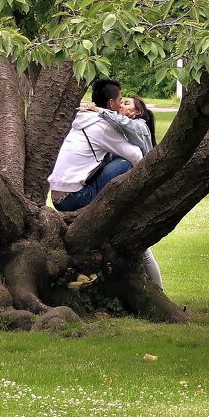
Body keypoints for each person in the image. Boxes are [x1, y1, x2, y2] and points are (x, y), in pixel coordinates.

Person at [76, 95, 165, 290]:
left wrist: (101, 110)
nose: (120, 105)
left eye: (126, 103)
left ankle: (158, 291)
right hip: (123, 196)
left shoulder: (139, 127)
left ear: (136, 112)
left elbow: (120, 121)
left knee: (144, 251)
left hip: (137, 198)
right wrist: (89, 110)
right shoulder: (123, 131)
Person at [48, 79, 143, 212]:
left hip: (58, 196)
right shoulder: (102, 126)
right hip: (74, 198)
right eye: (119, 101)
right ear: (111, 103)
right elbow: (136, 156)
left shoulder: (85, 118)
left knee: (113, 157)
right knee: (125, 163)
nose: (121, 105)